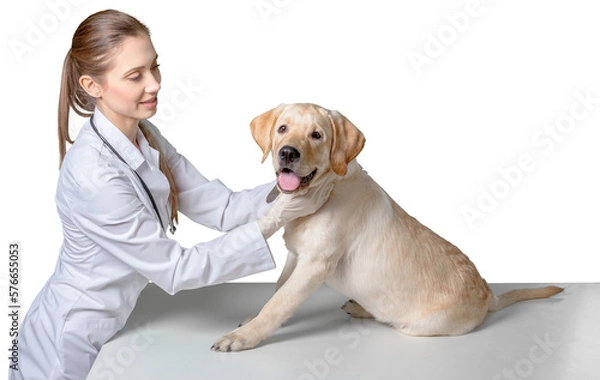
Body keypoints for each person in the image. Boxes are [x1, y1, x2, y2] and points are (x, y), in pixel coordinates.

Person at [9, 9, 332, 380]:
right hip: (69, 339)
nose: (155, 84)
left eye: (154, 67)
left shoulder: (145, 134)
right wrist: (274, 220)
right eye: (135, 76)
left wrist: (289, 186)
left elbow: (220, 207)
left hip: (117, 320)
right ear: (92, 85)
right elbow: (176, 269)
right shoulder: (92, 176)